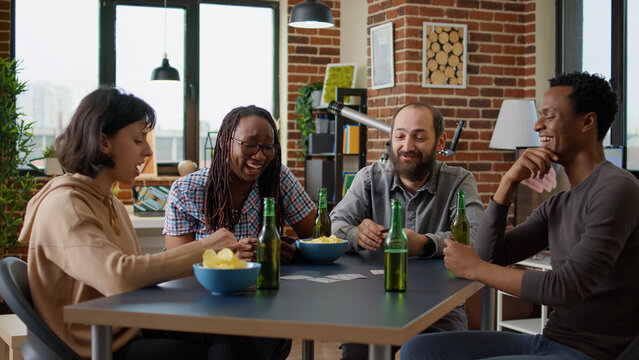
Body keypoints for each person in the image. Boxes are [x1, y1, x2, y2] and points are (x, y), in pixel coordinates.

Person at [18, 88, 290, 360]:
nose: (148, 151)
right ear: (104, 143)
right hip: (98, 345)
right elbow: (119, 276)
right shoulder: (65, 205)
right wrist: (207, 248)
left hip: (127, 326)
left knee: (258, 332)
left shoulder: (107, 201)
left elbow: (133, 272)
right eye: (138, 140)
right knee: (224, 343)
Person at [401, 72, 639, 360]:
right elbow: (491, 255)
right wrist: (507, 184)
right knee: (416, 350)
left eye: (549, 117)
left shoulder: (617, 188)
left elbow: (566, 288)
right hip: (550, 342)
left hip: (593, 353)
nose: (538, 125)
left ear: (587, 122)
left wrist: (473, 268)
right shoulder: (559, 203)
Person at [330, 102, 485, 359]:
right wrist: (357, 234)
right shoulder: (369, 178)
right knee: (357, 354)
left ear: (440, 140)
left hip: (441, 306)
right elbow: (334, 225)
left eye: (420, 137)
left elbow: (476, 238)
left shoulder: (460, 181)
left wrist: (424, 244)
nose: (407, 146)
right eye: (400, 136)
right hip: (374, 301)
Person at [163, 105, 315, 262]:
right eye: (249, 145)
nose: (260, 156)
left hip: (264, 285)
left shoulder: (278, 178)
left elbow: (319, 237)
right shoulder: (186, 191)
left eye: (268, 147)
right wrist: (229, 260)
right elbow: (177, 266)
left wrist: (295, 251)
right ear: (223, 142)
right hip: (206, 287)